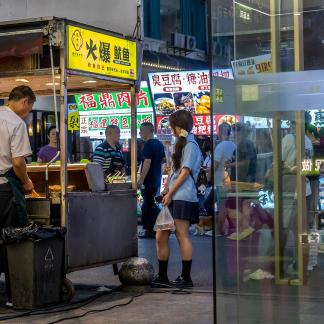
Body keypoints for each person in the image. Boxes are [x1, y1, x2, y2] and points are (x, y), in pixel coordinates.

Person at [152, 110, 202, 288]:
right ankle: (162, 276)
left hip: (183, 197)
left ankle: (186, 277)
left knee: (182, 235)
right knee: (160, 235)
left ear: (178, 126)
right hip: (174, 196)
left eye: (172, 125)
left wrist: (170, 193)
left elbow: (185, 173)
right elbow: (176, 172)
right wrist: (167, 190)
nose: (170, 128)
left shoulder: (191, 145)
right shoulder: (181, 143)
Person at [0, 85, 36, 306]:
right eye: (30, 108)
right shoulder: (16, 123)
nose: (28, 112)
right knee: (10, 240)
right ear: (24, 102)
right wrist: (26, 181)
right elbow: (17, 162)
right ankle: (14, 295)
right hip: (4, 188)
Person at [138, 122, 166, 238]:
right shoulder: (159, 144)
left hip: (148, 180)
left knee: (148, 204)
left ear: (148, 131)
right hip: (156, 179)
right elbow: (164, 160)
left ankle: (151, 229)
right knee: (149, 203)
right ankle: (154, 227)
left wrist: (141, 179)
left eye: (141, 130)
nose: (140, 133)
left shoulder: (148, 144)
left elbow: (147, 162)